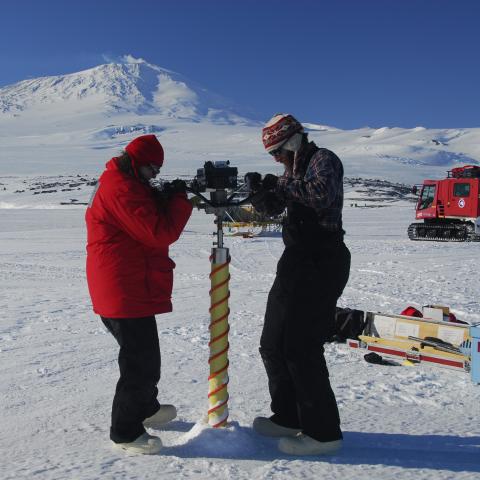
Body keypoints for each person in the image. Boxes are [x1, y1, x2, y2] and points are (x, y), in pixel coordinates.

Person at [248, 114, 351, 456]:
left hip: (323, 261)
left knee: (301, 347)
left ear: (292, 141)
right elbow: (284, 200)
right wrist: (263, 196)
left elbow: (319, 195)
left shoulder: (324, 160)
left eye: (277, 152)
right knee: (273, 342)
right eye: (272, 156)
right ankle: (289, 416)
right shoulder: (291, 169)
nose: (276, 160)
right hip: (296, 260)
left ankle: (323, 433)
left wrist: (278, 187)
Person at [85, 134, 193, 454]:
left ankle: (145, 408)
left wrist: (162, 196)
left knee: (146, 357)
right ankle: (126, 432)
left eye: (158, 171)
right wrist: (179, 200)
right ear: (135, 163)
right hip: (121, 287)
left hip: (127, 283)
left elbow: (146, 219)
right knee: (140, 363)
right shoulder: (120, 187)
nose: (154, 176)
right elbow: (159, 233)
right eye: (151, 170)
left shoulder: (126, 182)